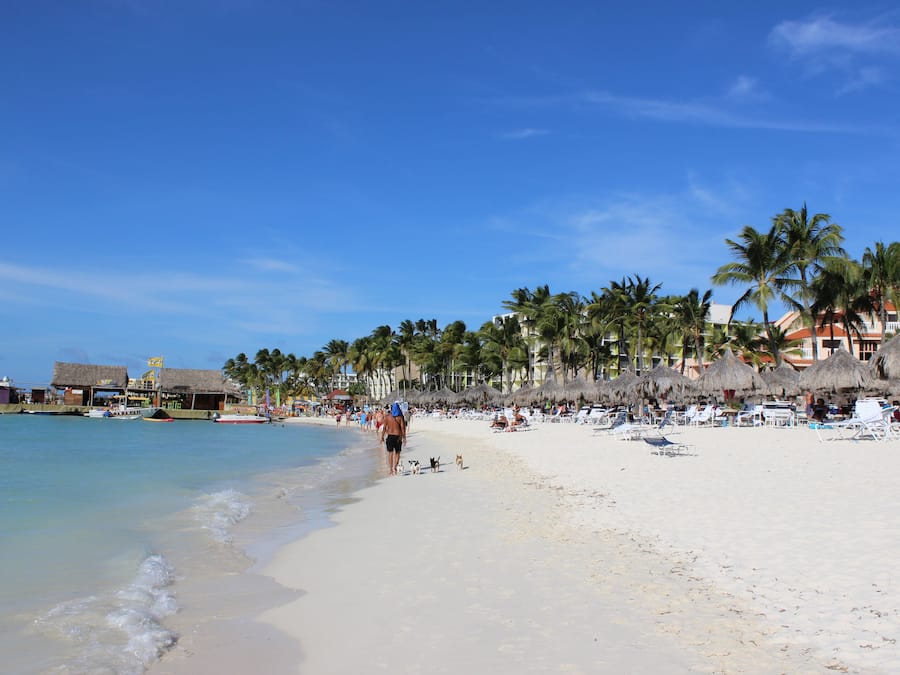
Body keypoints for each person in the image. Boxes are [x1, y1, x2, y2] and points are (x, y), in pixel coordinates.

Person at [380, 402, 407, 476]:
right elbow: (402, 428)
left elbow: (384, 428)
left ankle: (391, 470)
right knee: (397, 453)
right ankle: (395, 468)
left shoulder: (387, 416)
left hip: (390, 436)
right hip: (398, 436)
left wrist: (382, 437)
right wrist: (404, 438)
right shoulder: (400, 417)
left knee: (390, 453)